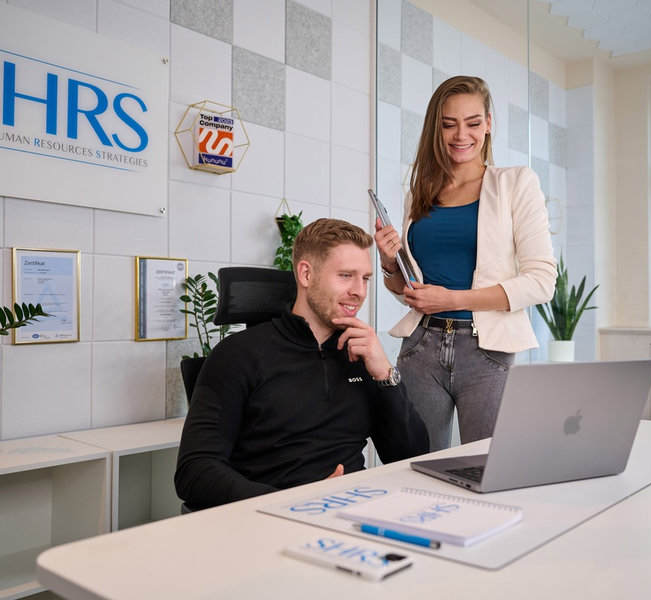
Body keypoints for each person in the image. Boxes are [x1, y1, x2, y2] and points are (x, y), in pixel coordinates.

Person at [175, 218, 430, 510]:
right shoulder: (238, 355)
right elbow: (193, 471)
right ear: (306, 274)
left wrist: (385, 374)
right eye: (346, 275)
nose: (359, 291)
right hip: (269, 520)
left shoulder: (363, 355)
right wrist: (293, 502)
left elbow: (411, 456)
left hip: (352, 513)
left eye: (365, 278)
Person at [374, 75, 556, 452]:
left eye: (473, 123)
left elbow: (542, 281)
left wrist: (453, 300)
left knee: (488, 467)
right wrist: (391, 263)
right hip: (420, 345)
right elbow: (412, 292)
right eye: (448, 124)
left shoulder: (516, 183)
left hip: (486, 352)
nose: (461, 135)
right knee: (416, 466)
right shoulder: (420, 193)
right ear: (435, 128)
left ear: (488, 124)